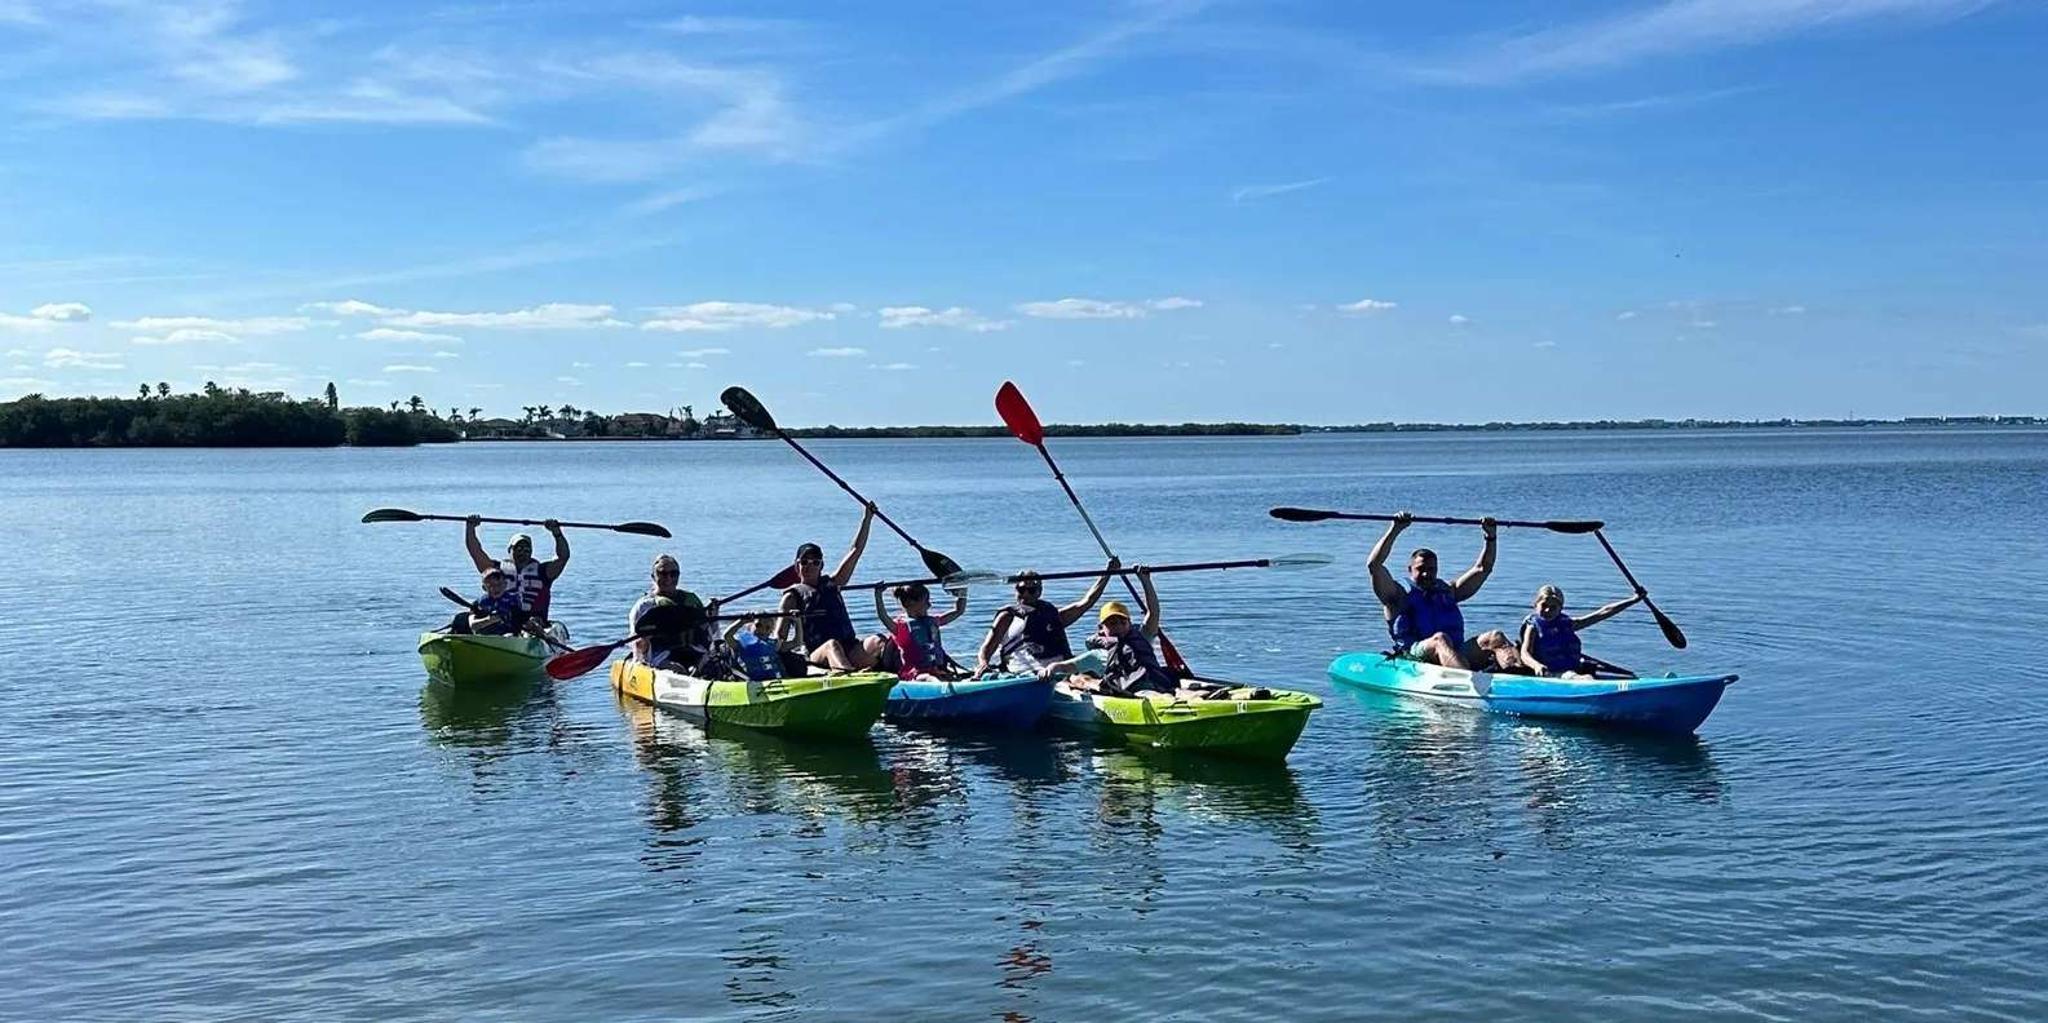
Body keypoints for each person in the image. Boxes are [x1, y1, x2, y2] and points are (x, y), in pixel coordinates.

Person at [1367, 512, 1497, 668]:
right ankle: (1464, 678)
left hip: (1455, 653)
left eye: (1431, 569)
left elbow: (1483, 568)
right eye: (1420, 569)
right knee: (1440, 639)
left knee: (1495, 637)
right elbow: (1374, 565)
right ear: (1410, 569)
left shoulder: (1449, 591)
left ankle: (1518, 674)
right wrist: (1395, 529)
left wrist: (1490, 536)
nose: (1426, 574)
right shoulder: (1396, 594)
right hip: (1414, 656)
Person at [1041, 567, 1179, 696]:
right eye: (1112, 623)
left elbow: (1153, 612)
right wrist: (1051, 668)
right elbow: (1067, 666)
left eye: (1122, 622)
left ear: (1130, 624)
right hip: (1137, 693)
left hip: (1161, 685)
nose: (1118, 627)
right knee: (1077, 678)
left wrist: (1145, 580)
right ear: (1101, 629)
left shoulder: (1143, 636)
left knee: (1187, 685)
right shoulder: (1096, 655)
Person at [777, 503, 882, 672]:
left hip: (850, 648)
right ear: (797, 566)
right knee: (832, 645)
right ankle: (849, 676)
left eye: (815, 562)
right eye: (804, 562)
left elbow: (856, 551)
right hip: (818, 655)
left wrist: (867, 518)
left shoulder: (835, 582)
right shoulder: (791, 597)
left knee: (878, 641)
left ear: (821, 565)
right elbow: (779, 638)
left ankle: (904, 673)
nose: (809, 565)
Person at [972, 559, 1119, 676]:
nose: (1025, 594)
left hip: (1059, 672)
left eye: (1031, 590)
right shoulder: (1007, 617)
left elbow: (1086, 602)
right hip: (1025, 675)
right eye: (1021, 589)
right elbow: (986, 648)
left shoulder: (1053, 616)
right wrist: (983, 663)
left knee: (1082, 678)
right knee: (1077, 680)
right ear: (1015, 590)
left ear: (1039, 592)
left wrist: (1107, 573)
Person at [1518, 584, 1642, 677]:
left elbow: (1604, 612)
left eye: (1553, 607)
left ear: (1561, 609)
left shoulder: (1568, 624)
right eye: (1544, 605)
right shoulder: (1533, 627)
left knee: (1628, 677)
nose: (1547, 610)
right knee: (1583, 678)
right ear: (1535, 605)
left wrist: (1634, 599)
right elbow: (1525, 653)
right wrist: (1536, 666)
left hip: (1574, 669)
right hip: (1551, 674)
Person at [466, 516, 569, 623]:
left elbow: (563, 557)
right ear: (510, 550)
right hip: (502, 620)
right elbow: (475, 551)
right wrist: (470, 528)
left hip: (535, 622)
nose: (522, 552)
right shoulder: (497, 570)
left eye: (526, 549)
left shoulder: (543, 571)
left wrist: (557, 533)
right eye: (518, 548)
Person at [627, 554, 718, 672]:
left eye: (673, 574)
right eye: (662, 573)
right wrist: (643, 641)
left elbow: (709, 632)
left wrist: (713, 616)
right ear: (653, 576)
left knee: (713, 664)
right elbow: (638, 645)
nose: (668, 578)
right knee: (678, 669)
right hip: (661, 655)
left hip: (694, 650)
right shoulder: (644, 606)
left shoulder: (692, 600)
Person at [872, 581, 969, 680]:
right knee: (929, 678)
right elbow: (883, 617)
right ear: (910, 603)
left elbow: (959, 611)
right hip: (915, 674)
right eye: (926, 601)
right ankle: (939, 683)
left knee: (944, 676)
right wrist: (878, 595)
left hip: (937, 669)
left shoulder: (934, 621)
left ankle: (945, 681)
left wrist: (962, 592)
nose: (929, 605)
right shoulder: (901, 628)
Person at [721, 613, 799, 681]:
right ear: (751, 626)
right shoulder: (741, 642)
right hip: (756, 684)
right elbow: (727, 636)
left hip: (780, 680)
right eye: (758, 625)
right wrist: (741, 621)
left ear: (771, 630)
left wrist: (797, 621)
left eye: (767, 628)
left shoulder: (774, 643)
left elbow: (797, 642)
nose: (762, 630)